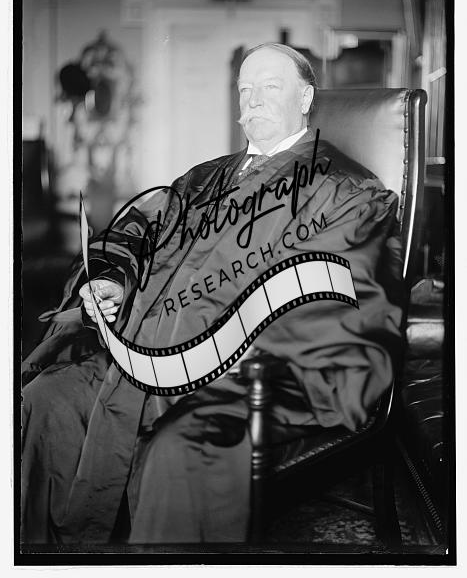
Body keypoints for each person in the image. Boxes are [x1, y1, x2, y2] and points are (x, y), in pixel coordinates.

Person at [21, 43, 403, 545]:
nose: (254, 99)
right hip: (143, 352)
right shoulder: (202, 179)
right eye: (245, 89)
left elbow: (340, 300)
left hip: (244, 370)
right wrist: (112, 280)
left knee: (180, 451)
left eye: (271, 86)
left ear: (306, 98)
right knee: (46, 399)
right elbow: (133, 233)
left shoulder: (344, 191)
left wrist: (204, 353)